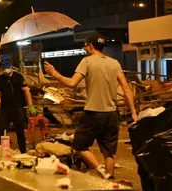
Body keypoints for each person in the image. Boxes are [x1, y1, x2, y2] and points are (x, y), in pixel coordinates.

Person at [43, 32, 138, 179]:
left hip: (93, 113)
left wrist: (54, 73)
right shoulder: (115, 63)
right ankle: (110, 179)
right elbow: (126, 88)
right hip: (112, 114)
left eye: (85, 45)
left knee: (78, 146)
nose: (85, 48)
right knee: (108, 151)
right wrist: (133, 112)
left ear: (91, 46)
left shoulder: (87, 61)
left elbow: (72, 83)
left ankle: (102, 171)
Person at [0, 55, 38, 153]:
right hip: (5, 109)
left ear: (10, 65)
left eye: (6, 67)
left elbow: (26, 91)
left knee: (20, 131)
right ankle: (2, 151)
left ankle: (23, 152)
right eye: (3, 68)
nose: (5, 70)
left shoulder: (19, 77)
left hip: (18, 108)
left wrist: (31, 106)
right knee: (1, 130)